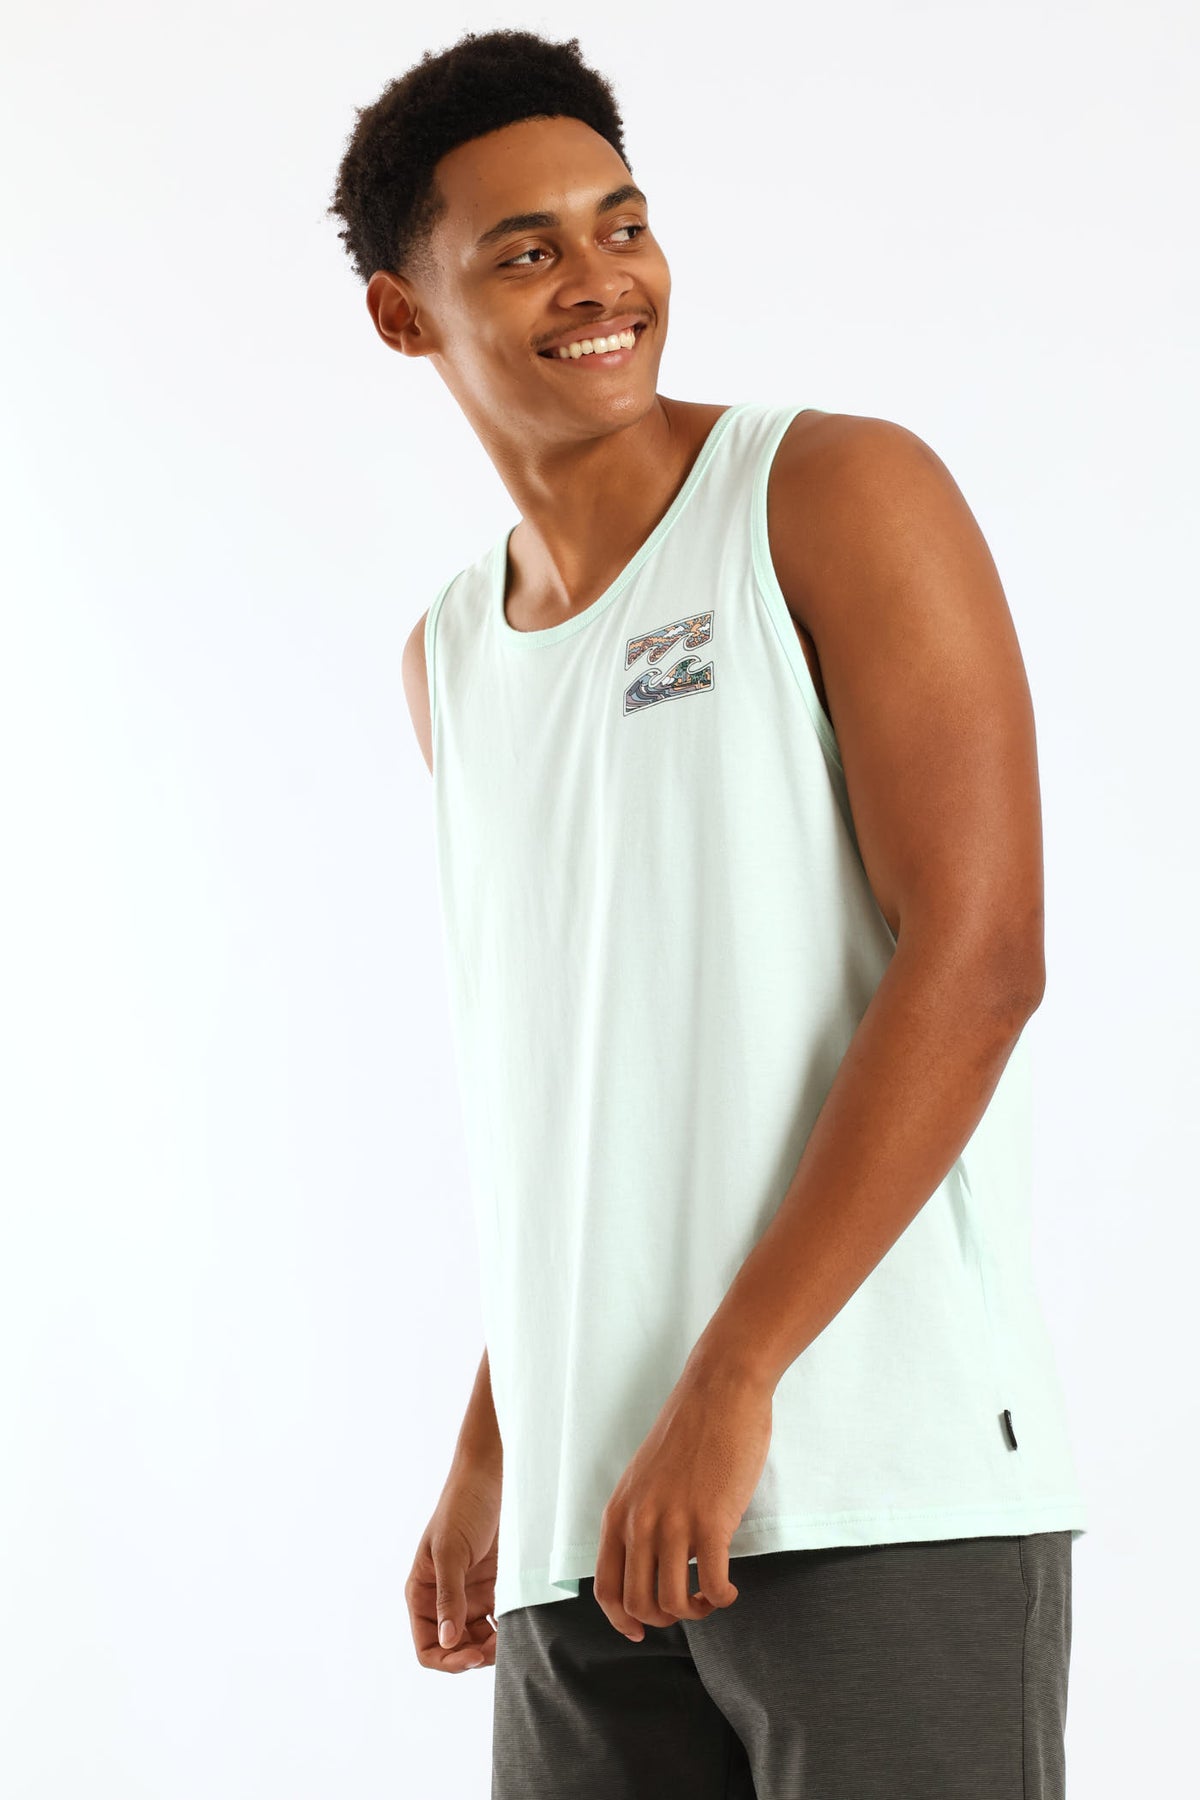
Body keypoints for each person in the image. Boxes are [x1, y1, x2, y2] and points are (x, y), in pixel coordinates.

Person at [328, 27, 1087, 1799]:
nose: (602, 280)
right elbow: (594, 1093)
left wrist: (740, 1374)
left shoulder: (828, 493)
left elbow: (980, 960)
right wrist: (495, 1445)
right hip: (588, 1527)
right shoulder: (451, 660)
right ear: (404, 315)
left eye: (622, 223)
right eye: (526, 251)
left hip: (869, 1481)